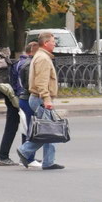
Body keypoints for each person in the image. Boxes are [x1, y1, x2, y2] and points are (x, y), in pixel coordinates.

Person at [17, 31, 63, 170]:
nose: (55, 44)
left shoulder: (41, 56)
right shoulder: (43, 58)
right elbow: (41, 82)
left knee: (49, 129)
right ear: (46, 43)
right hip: (40, 98)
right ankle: (25, 150)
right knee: (48, 130)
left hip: (38, 98)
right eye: (53, 42)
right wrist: (46, 99)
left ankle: (49, 161)